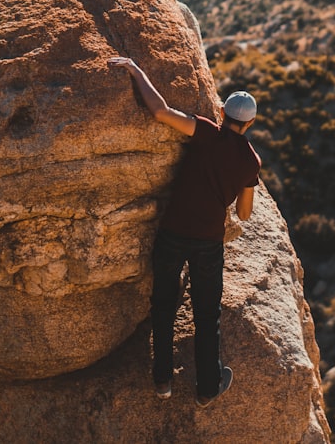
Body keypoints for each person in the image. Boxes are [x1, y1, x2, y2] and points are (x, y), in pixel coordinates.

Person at [108, 56, 261, 408]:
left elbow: (161, 112)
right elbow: (244, 212)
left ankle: (162, 380)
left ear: (223, 113)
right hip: (208, 241)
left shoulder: (206, 131)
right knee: (207, 314)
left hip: (173, 232)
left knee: (163, 304)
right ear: (250, 122)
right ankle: (208, 386)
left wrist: (136, 69)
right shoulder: (251, 161)